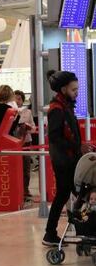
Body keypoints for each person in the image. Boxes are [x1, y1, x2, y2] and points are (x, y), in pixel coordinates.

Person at [42, 70, 90, 246]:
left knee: (73, 195)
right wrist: (78, 146)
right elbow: (54, 137)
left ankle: (58, 232)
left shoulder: (65, 106)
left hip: (69, 159)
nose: (76, 92)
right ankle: (53, 233)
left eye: (77, 89)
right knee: (76, 194)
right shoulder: (57, 109)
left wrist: (80, 146)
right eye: (73, 89)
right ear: (63, 89)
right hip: (64, 162)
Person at [14, 90, 36, 198]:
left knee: (26, 167)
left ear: (23, 100)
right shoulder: (11, 111)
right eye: (15, 99)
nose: (17, 101)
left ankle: (26, 189)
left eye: (19, 99)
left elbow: (33, 126)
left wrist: (28, 128)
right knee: (16, 168)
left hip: (26, 141)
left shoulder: (28, 112)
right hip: (14, 143)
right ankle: (17, 189)